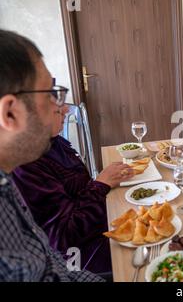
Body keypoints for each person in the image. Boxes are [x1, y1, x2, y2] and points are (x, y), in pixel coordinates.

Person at [0, 29, 102, 281]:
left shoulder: (7, 181)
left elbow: (51, 263)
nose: (63, 107)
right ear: (10, 114)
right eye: (50, 94)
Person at [12, 103, 134, 274]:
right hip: (83, 258)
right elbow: (63, 237)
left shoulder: (53, 141)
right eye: (53, 102)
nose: (66, 110)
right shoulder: (26, 164)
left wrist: (102, 183)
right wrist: (101, 184)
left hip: (102, 224)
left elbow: (79, 192)